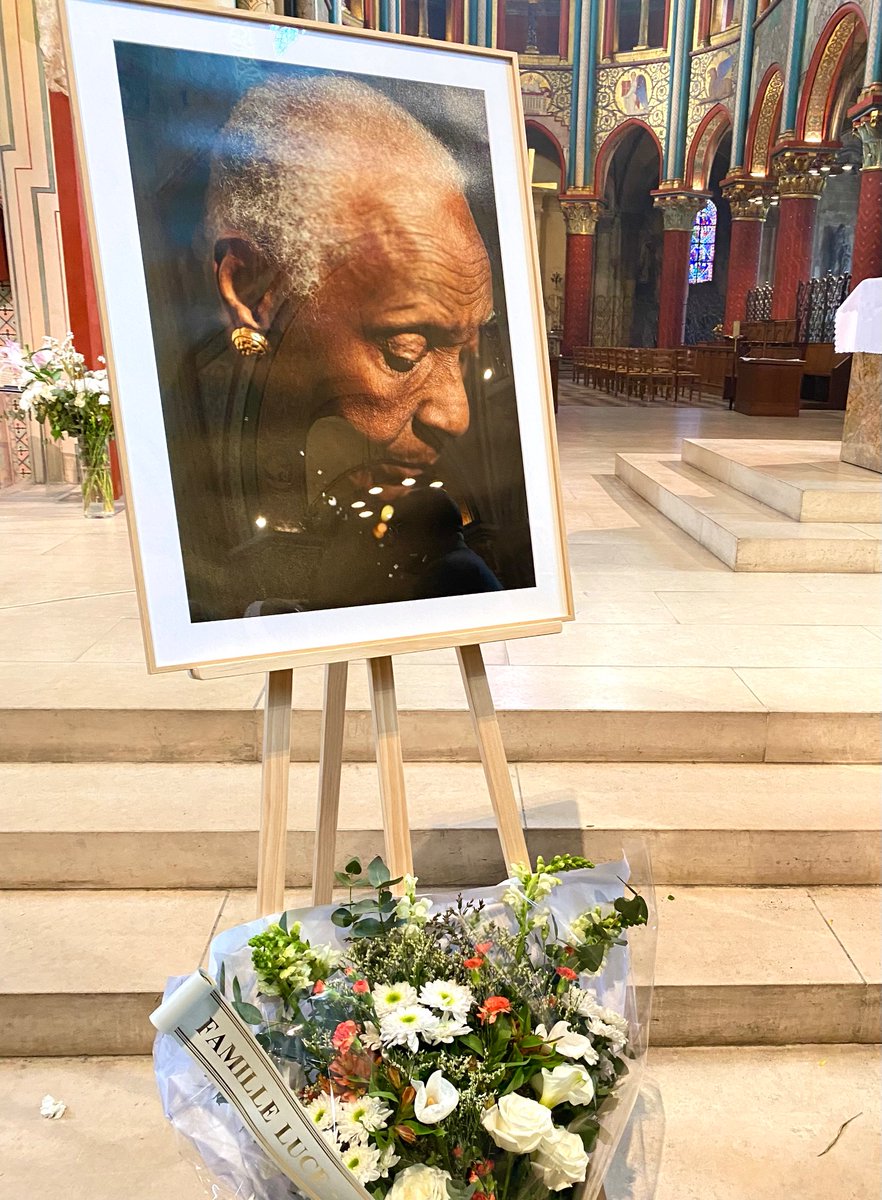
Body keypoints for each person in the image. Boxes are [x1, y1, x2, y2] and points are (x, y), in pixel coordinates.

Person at [199, 72, 507, 614]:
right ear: (250, 287)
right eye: (405, 351)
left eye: (468, 350)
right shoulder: (188, 454)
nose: (456, 415)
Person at [389, 488, 502, 599]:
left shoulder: (444, 571)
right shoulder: (464, 560)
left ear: (429, 526)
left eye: (403, 526)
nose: (401, 536)